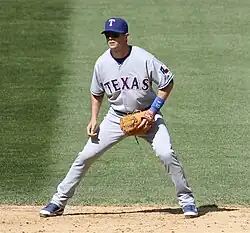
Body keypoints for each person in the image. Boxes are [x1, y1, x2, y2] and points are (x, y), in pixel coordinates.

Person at [40, 17, 198, 218]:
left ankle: (187, 201)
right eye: (107, 35)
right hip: (116, 118)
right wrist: (94, 118)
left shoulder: (144, 58)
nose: (110, 38)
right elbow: (96, 92)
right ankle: (58, 201)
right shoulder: (102, 63)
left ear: (126, 37)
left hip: (147, 115)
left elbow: (167, 81)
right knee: (85, 156)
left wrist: (152, 112)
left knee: (166, 153)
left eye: (115, 35)